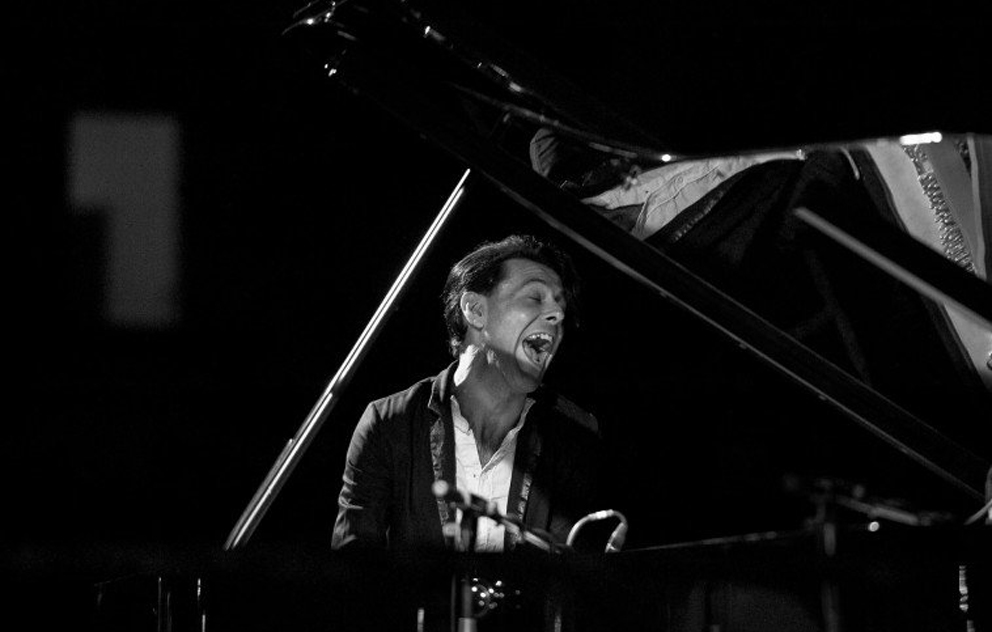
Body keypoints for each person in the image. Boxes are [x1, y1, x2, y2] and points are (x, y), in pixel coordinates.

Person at [331, 234, 603, 552]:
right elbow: (355, 566)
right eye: (534, 297)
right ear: (475, 310)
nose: (557, 314)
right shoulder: (391, 423)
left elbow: (574, 567)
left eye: (560, 304)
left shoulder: (574, 433)